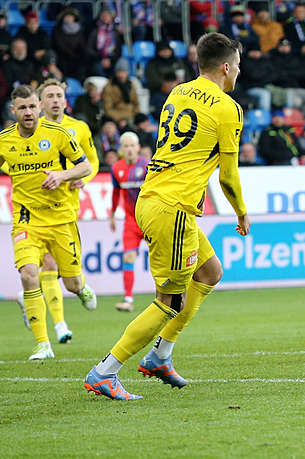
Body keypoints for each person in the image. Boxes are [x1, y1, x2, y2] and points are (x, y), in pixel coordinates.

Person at [84, 32, 251, 400]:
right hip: (172, 209)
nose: (238, 72)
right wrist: (241, 212)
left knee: (209, 272)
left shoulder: (178, 92)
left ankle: (160, 355)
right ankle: (106, 371)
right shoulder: (228, 108)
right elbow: (228, 175)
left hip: (153, 197)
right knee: (168, 301)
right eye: (237, 65)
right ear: (226, 67)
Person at [0, 84, 95, 360]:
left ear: (39, 107)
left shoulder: (58, 134)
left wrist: (61, 176)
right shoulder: (4, 140)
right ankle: (43, 344)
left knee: (72, 284)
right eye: (22, 108)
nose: (28, 112)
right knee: (29, 275)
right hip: (26, 221)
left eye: (32, 106)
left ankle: (82, 287)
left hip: (61, 218)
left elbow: (86, 166)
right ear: (13, 110)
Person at [109, 132, 150, 312]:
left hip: (149, 219)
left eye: (132, 145)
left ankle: (169, 294)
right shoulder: (116, 168)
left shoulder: (148, 166)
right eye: (125, 146)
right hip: (131, 222)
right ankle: (128, 298)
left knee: (161, 258)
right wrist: (112, 214)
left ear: (138, 148)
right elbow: (116, 192)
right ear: (121, 149)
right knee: (127, 257)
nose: (129, 149)